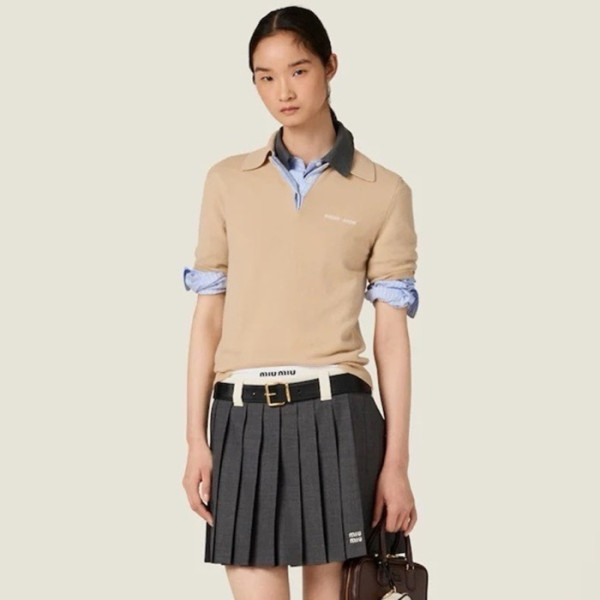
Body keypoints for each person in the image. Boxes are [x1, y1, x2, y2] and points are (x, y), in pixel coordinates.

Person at [181, 6, 420, 600]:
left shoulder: (384, 191)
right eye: (265, 77)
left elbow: (391, 336)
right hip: (240, 420)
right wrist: (194, 439)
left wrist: (396, 463)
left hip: (338, 417)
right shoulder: (227, 181)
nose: (282, 92)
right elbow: (207, 319)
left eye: (298, 70)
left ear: (330, 66)